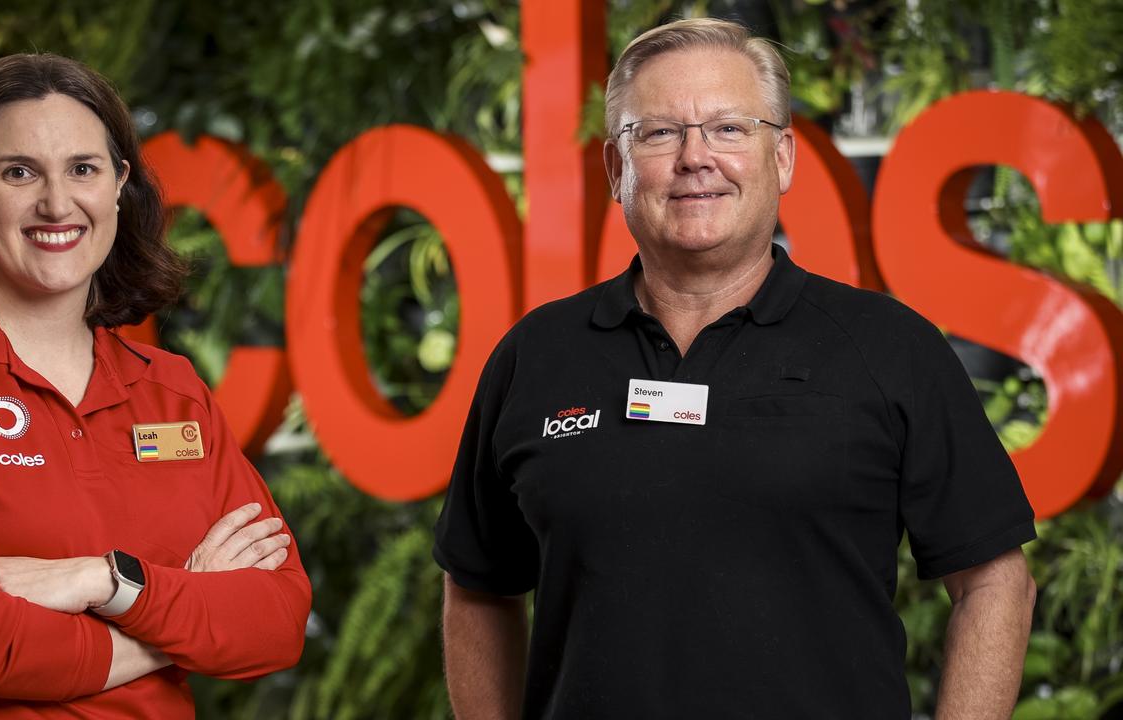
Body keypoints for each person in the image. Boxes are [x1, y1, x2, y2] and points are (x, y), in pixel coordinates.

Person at [434, 17, 1037, 719]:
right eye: (658, 133)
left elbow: (995, 582)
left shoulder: (888, 348)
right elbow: (478, 586)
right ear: (614, 169)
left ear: (781, 157)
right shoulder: (535, 356)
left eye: (728, 128)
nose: (696, 157)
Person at [0, 54, 311, 717]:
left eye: (83, 169)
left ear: (119, 183)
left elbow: (276, 619)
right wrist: (177, 622)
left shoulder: (172, 392)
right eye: (18, 172)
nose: (57, 203)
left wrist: (103, 581)